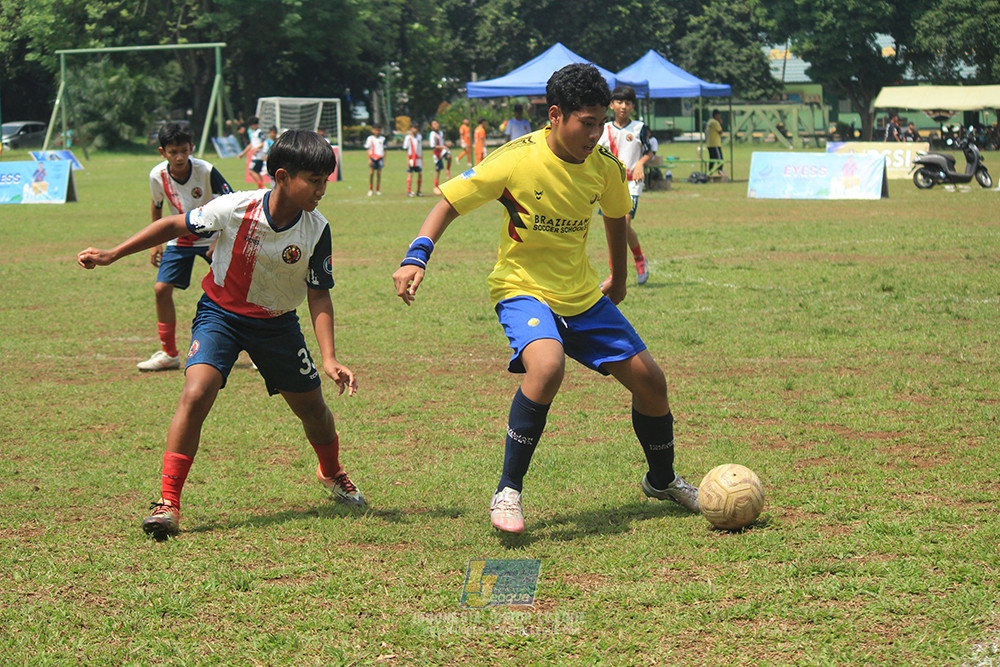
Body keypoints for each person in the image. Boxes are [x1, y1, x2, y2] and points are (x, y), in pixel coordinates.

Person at [391, 63, 699, 535]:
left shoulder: (605, 169)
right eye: (587, 123)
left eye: (601, 123)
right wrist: (417, 256)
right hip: (522, 288)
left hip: (580, 295)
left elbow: (616, 219)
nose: (596, 134)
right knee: (547, 365)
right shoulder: (515, 159)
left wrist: (617, 277)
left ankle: (661, 481)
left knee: (652, 384)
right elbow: (449, 203)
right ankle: (508, 490)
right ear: (555, 115)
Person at [78, 130, 366, 540]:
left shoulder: (317, 230)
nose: (322, 190)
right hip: (222, 315)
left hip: (278, 324)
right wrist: (113, 254)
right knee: (196, 392)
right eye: (314, 181)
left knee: (314, 411)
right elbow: (174, 223)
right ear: (282, 177)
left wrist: (330, 357)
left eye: (325, 181)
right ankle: (168, 502)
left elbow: (319, 293)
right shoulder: (235, 207)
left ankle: (332, 471)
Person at [141, 122, 233, 372]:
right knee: (161, 289)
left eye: (184, 150)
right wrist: (155, 243)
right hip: (179, 238)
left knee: (235, 290)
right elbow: (157, 205)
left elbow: (230, 200)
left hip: (212, 237)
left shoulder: (206, 170)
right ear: (163, 152)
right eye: (173, 152)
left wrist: (218, 240)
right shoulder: (156, 175)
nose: (179, 157)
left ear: (192, 148)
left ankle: (256, 351)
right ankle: (169, 354)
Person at [597, 85, 653, 286]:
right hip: (610, 185)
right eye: (619, 102)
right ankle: (617, 271)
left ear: (633, 107)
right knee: (613, 229)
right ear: (611, 105)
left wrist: (640, 163)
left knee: (624, 223)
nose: (623, 106)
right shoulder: (604, 129)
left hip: (632, 183)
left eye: (628, 103)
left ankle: (637, 261)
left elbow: (649, 151)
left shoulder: (639, 128)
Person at [238, 116, 268, 188]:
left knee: (252, 171)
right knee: (256, 171)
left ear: (255, 125)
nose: (250, 127)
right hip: (256, 155)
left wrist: (256, 148)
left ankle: (261, 186)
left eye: (251, 125)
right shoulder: (254, 133)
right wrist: (242, 153)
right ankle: (261, 187)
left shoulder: (259, 132)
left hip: (258, 155)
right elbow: (251, 145)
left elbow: (263, 142)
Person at [428, 119, 452, 194]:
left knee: (449, 157)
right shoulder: (432, 134)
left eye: (436, 123)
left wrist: (446, 144)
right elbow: (433, 146)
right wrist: (443, 147)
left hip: (442, 151)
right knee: (438, 171)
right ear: (432, 127)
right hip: (437, 153)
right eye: (434, 124)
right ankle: (436, 186)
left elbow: (441, 141)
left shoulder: (440, 133)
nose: (436, 125)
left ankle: (447, 170)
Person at [364, 124, 386, 196]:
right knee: (371, 173)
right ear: (373, 130)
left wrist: (384, 160)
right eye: (375, 130)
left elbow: (385, 150)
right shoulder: (370, 138)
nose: (377, 131)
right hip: (372, 157)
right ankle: (370, 189)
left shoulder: (382, 139)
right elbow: (368, 149)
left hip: (380, 158)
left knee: (379, 174)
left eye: (378, 130)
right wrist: (369, 159)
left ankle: (377, 189)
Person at [402, 123, 423, 197]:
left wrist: (422, 159)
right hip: (411, 159)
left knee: (420, 174)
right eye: (413, 128)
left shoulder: (419, 137)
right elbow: (406, 150)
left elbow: (420, 148)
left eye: (416, 128)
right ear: (411, 129)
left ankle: (418, 191)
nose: (415, 129)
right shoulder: (408, 138)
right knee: (410, 174)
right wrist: (408, 160)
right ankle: (409, 191)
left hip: (418, 159)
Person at [705, 109, 724, 176]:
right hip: (715, 144)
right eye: (719, 115)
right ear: (716, 115)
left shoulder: (710, 121)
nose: (719, 117)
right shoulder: (715, 122)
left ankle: (710, 172)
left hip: (709, 144)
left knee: (712, 159)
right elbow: (720, 132)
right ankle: (720, 171)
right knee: (720, 159)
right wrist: (720, 123)